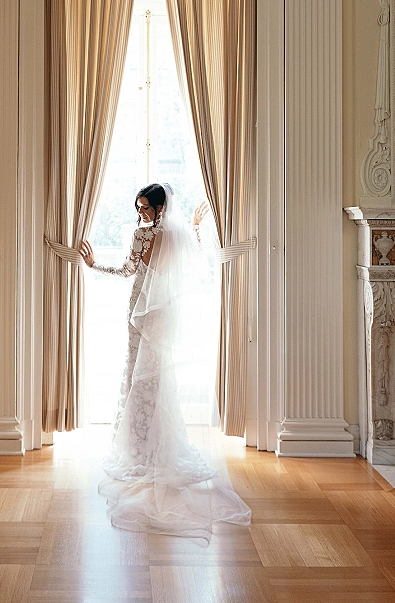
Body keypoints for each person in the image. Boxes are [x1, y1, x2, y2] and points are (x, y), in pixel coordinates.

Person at [78, 183, 251, 543]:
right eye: (138, 208)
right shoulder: (175, 237)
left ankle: (141, 448)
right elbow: (192, 267)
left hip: (141, 315)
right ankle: (156, 447)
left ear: (159, 209)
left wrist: (95, 267)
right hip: (165, 317)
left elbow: (128, 270)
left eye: (144, 208)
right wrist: (196, 227)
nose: (140, 214)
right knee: (156, 381)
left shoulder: (144, 235)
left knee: (139, 379)